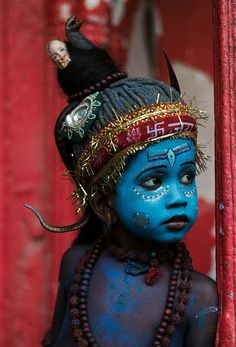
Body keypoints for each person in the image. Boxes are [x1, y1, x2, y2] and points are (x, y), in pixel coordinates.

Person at [29, 16, 218, 347]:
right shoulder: (77, 267)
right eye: (153, 181)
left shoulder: (200, 297)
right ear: (104, 204)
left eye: (187, 177)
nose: (179, 197)